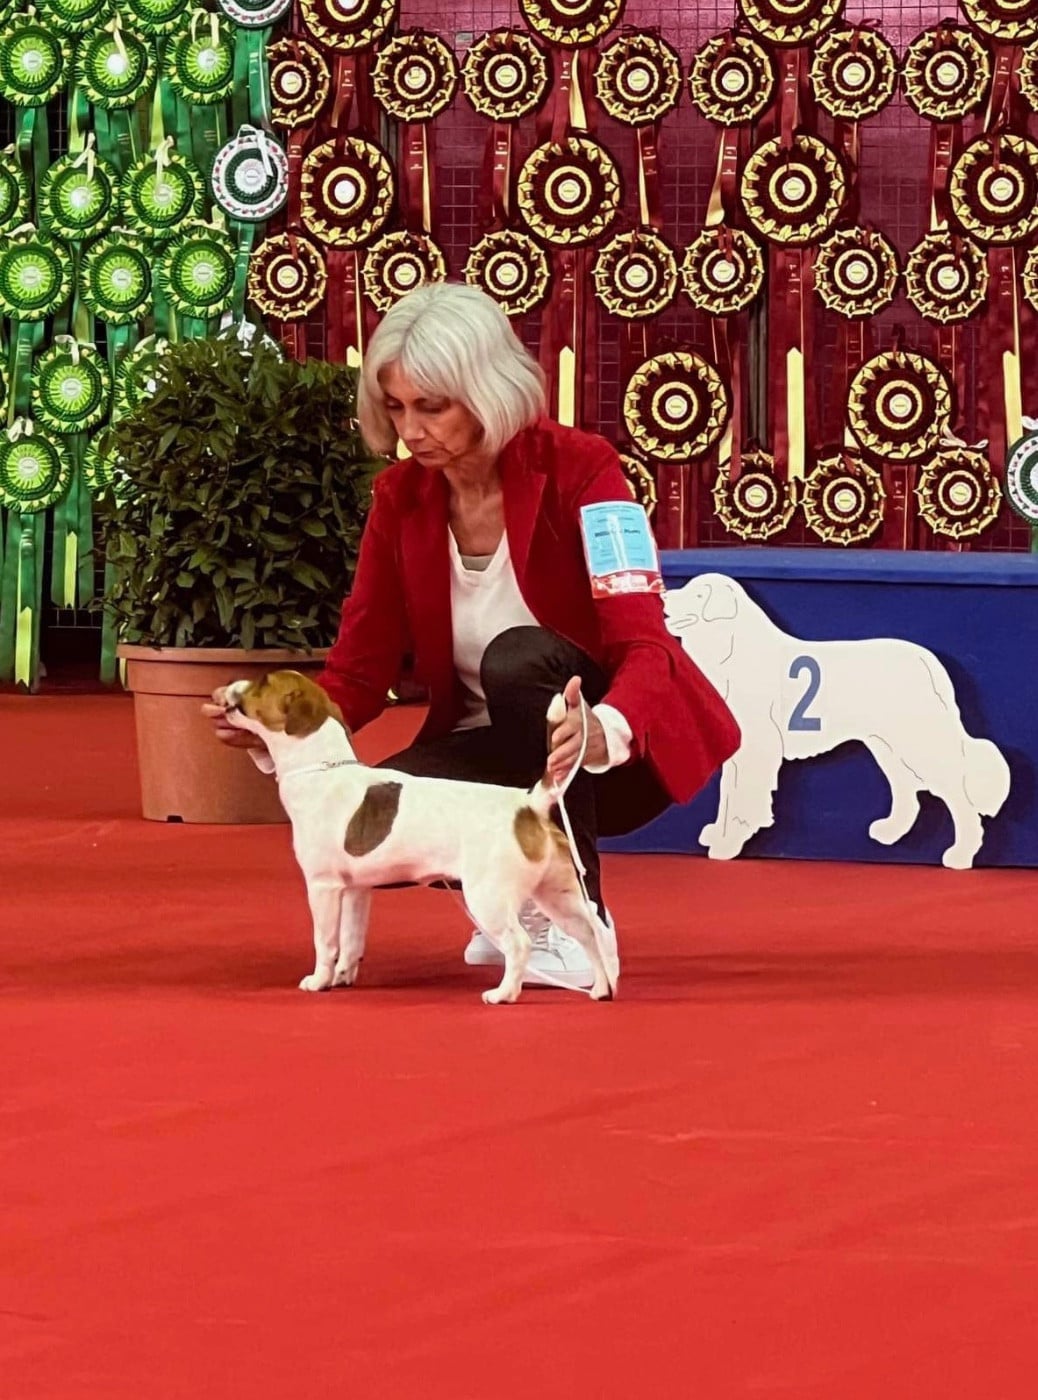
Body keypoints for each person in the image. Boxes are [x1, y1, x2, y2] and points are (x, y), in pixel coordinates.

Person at [205, 282, 739, 987]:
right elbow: (359, 672)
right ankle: (517, 904)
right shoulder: (399, 499)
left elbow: (646, 641)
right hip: (494, 750)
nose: (410, 429)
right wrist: (276, 727)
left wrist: (606, 727)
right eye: (396, 407)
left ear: (488, 392)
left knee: (516, 658)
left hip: (611, 756)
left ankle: (578, 919)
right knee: (377, 803)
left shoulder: (586, 469)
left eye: (432, 407)